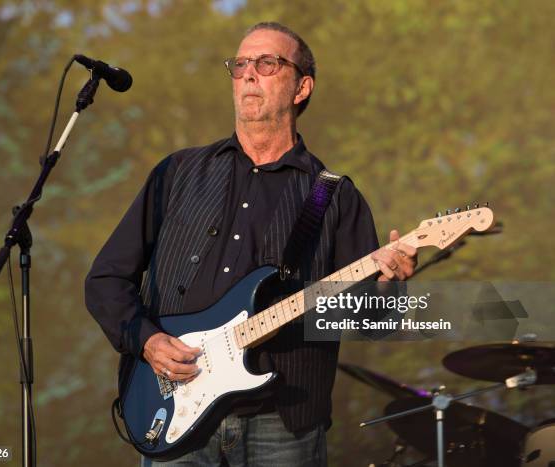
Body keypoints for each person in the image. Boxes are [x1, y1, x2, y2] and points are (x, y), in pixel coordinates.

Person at [85, 22, 417, 467]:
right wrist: (147, 341)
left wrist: (388, 286)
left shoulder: (334, 195)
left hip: (284, 422)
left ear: (302, 87)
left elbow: (377, 325)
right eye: (240, 64)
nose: (248, 73)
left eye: (267, 63)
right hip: (175, 416)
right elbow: (107, 279)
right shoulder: (179, 173)